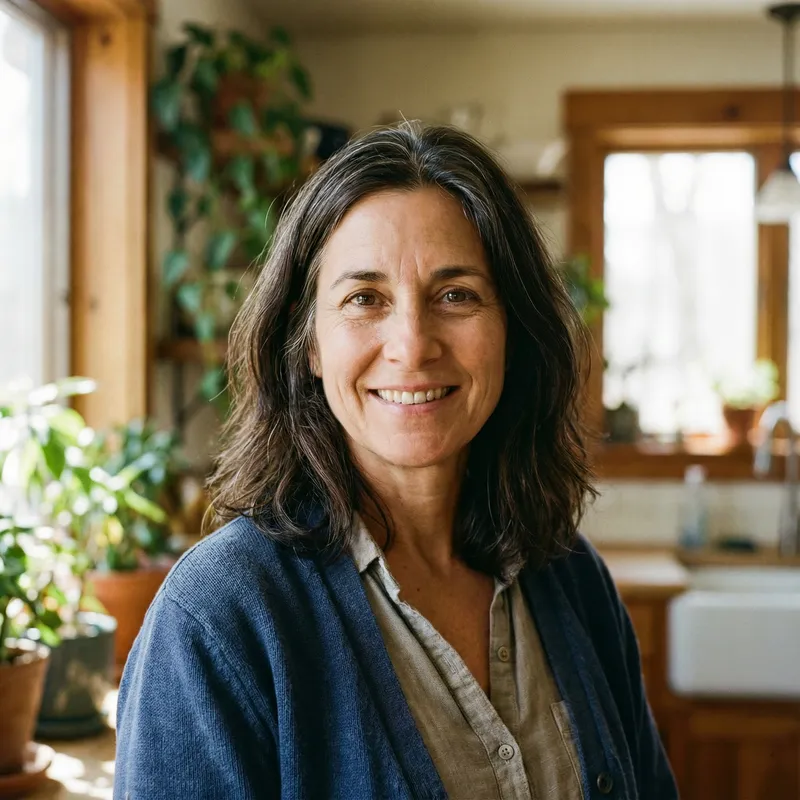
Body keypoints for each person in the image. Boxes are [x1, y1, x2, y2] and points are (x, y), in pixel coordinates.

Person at [114, 122, 678, 800]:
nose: (412, 346)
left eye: (456, 294)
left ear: (511, 328)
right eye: (364, 299)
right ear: (310, 343)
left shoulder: (571, 578)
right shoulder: (219, 617)